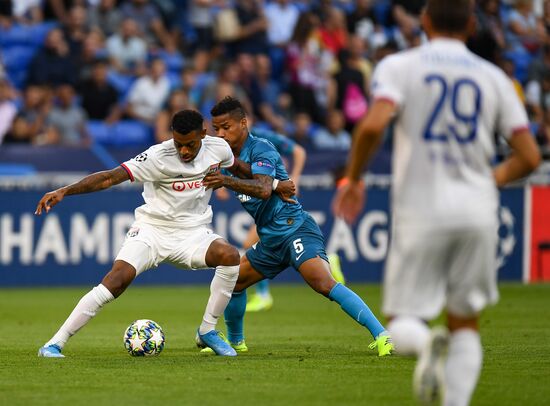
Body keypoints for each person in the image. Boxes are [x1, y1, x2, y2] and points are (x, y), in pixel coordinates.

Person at [332, 1, 541, 405]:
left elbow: (374, 125)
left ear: (424, 21)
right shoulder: (494, 77)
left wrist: (354, 178)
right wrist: (489, 180)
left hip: (421, 207)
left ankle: (426, 346)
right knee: (466, 324)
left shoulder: (400, 67)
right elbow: (530, 156)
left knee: (404, 321)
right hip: (478, 210)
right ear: (470, 24)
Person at [36, 110, 245, 357]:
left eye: (190, 145)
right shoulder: (158, 156)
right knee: (116, 280)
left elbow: (240, 169)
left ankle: (207, 330)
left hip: (193, 234)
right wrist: (64, 191)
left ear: (203, 133)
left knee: (230, 256)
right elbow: (109, 178)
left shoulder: (219, 148)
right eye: (179, 144)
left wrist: (271, 183)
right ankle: (54, 344)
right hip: (152, 231)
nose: (184, 151)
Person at [201, 96, 393, 357]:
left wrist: (225, 180)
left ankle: (382, 335)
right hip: (270, 238)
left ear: (243, 123)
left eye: (227, 127)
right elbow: (247, 174)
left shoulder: (262, 148)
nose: (221, 134)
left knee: (323, 283)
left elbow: (263, 188)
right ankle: (236, 343)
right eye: (217, 129)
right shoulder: (227, 156)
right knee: (233, 281)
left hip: (294, 228)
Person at [242, 125, 346, 312]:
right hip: (270, 193)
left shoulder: (262, 135)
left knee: (252, 240)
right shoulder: (237, 145)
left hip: (281, 191)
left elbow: (299, 151)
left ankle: (263, 296)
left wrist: (295, 177)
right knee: (252, 240)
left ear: (243, 120)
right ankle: (328, 259)